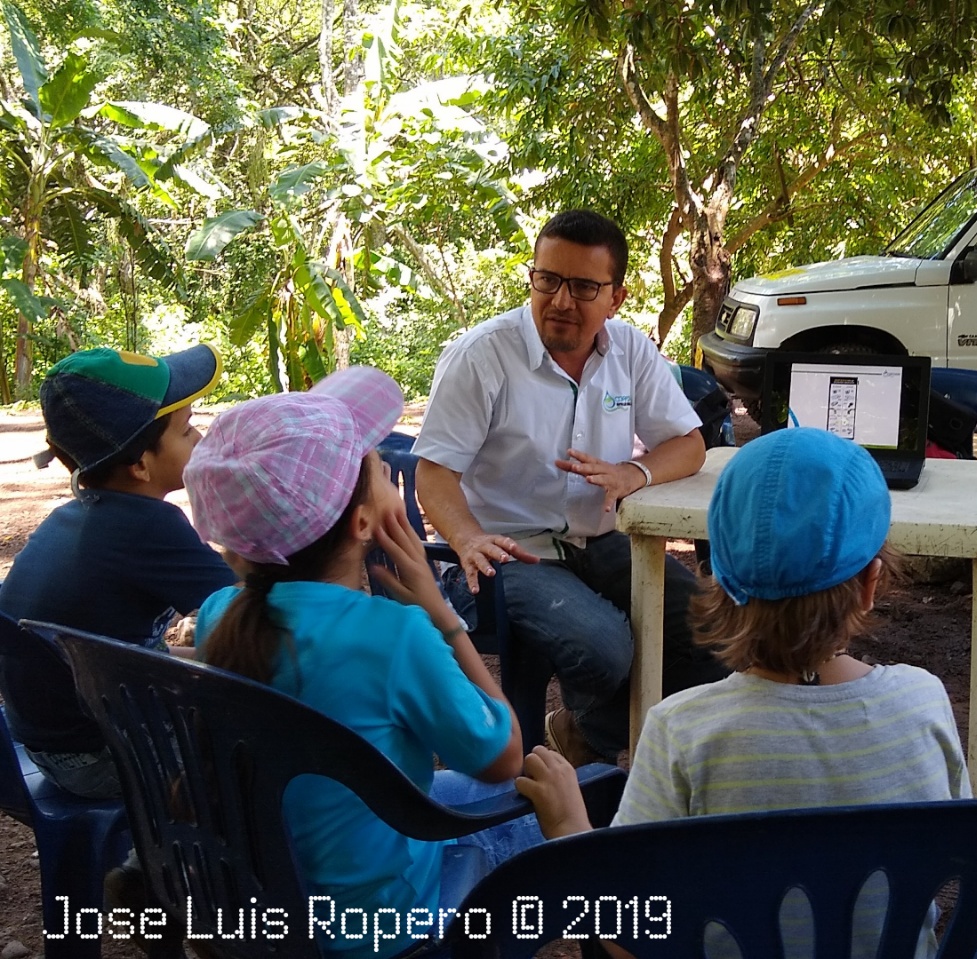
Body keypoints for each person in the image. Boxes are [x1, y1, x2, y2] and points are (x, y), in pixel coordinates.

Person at [517, 428, 971, 957]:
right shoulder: (923, 701)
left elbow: (630, 943)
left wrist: (571, 828)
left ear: (717, 581)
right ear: (871, 584)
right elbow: (949, 859)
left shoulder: (682, 730)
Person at [184, 366, 534, 958]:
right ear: (364, 521)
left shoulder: (221, 613)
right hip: (378, 929)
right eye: (376, 465)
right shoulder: (395, 636)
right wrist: (442, 618)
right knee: (559, 797)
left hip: (269, 912)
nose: (386, 470)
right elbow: (502, 758)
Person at [413, 209, 726, 766]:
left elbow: (689, 444)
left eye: (583, 287)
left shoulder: (630, 351)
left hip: (601, 537)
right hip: (507, 552)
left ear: (617, 297)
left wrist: (636, 473)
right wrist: (464, 538)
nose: (560, 300)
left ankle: (588, 735)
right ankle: (633, 758)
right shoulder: (483, 356)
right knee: (603, 648)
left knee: (713, 624)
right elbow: (434, 473)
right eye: (547, 279)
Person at [0, 344, 235, 798]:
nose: (201, 440)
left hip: (50, 739)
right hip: (99, 755)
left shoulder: (79, 516)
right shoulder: (148, 526)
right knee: (255, 739)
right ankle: (183, 863)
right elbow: (252, 616)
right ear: (140, 465)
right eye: (187, 431)